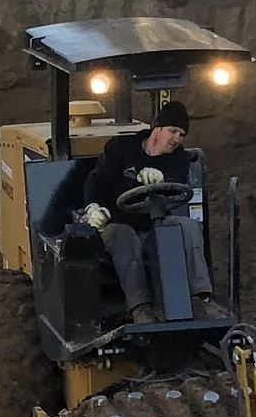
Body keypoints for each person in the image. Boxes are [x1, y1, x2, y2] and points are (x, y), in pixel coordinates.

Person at [79, 97, 212, 322]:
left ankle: (198, 297)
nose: (176, 139)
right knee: (124, 235)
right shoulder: (121, 149)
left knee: (187, 227)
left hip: (155, 226)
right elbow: (97, 181)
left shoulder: (178, 159)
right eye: (172, 131)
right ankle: (140, 307)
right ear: (156, 128)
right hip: (116, 224)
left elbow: (179, 182)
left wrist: (162, 180)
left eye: (181, 134)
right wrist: (93, 208)